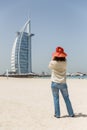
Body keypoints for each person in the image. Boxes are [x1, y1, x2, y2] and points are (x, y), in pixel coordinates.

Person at [48, 46, 74, 118]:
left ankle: (57, 114)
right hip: (63, 83)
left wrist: (53, 57)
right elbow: (64, 59)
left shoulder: (53, 62)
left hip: (54, 83)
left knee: (56, 98)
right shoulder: (65, 62)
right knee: (66, 98)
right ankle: (71, 113)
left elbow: (49, 66)